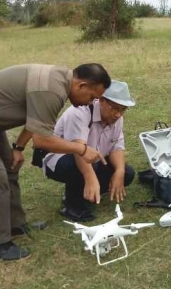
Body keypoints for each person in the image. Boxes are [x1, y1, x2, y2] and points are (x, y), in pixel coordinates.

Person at [0, 64, 110, 261]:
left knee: (9, 167)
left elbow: (35, 118)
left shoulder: (60, 82)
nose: (90, 103)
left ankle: (16, 225)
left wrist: (18, 148)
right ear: (82, 86)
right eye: (92, 97)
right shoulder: (52, 90)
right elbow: (42, 140)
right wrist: (83, 149)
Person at [40, 80, 136, 222]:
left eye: (123, 109)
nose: (118, 115)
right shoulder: (79, 112)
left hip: (93, 160)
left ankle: (87, 192)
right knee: (78, 165)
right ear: (101, 100)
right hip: (61, 160)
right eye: (115, 108)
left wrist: (119, 172)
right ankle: (71, 205)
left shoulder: (117, 118)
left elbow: (116, 146)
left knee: (127, 173)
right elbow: (78, 150)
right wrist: (91, 179)